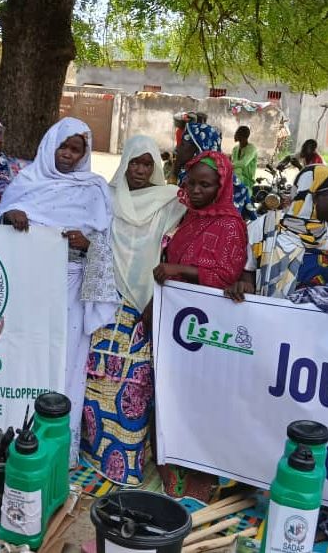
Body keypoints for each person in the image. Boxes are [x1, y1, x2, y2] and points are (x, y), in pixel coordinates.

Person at [0, 117, 119, 466]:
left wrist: (87, 243)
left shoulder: (94, 189)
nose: (68, 154)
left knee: (65, 361)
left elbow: (107, 243)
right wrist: (10, 216)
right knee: (23, 354)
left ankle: (58, 447)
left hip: (71, 286)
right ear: (51, 145)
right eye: (64, 146)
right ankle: (12, 434)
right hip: (27, 285)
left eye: (76, 149)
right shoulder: (27, 181)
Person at [80, 135, 186, 486]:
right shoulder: (106, 197)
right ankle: (93, 451)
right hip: (106, 298)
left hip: (146, 303)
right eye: (134, 162)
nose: (139, 170)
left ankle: (125, 463)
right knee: (98, 375)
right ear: (124, 163)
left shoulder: (169, 201)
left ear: (155, 167)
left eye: (146, 164)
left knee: (135, 382)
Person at [153, 150, 247, 500]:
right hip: (176, 320)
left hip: (208, 327)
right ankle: (171, 465)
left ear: (220, 187)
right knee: (171, 393)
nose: (195, 190)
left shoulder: (231, 225)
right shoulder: (189, 218)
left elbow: (226, 276)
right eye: (191, 183)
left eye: (204, 185)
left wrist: (179, 271)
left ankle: (201, 473)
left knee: (202, 398)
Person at [225, 164, 328, 304]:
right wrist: (244, 286)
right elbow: (247, 272)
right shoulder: (264, 228)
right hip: (268, 313)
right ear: (313, 196)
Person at [173, 121, 257, 221]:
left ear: (199, 147)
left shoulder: (225, 187)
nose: (177, 149)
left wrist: (226, 166)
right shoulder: (185, 175)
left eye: (182, 144)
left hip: (246, 181)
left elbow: (243, 163)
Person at [231, 126, 257, 194]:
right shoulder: (235, 149)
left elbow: (243, 163)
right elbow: (233, 163)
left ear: (243, 136)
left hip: (247, 182)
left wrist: (229, 165)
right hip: (235, 180)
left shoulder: (252, 149)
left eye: (237, 133)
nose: (235, 135)